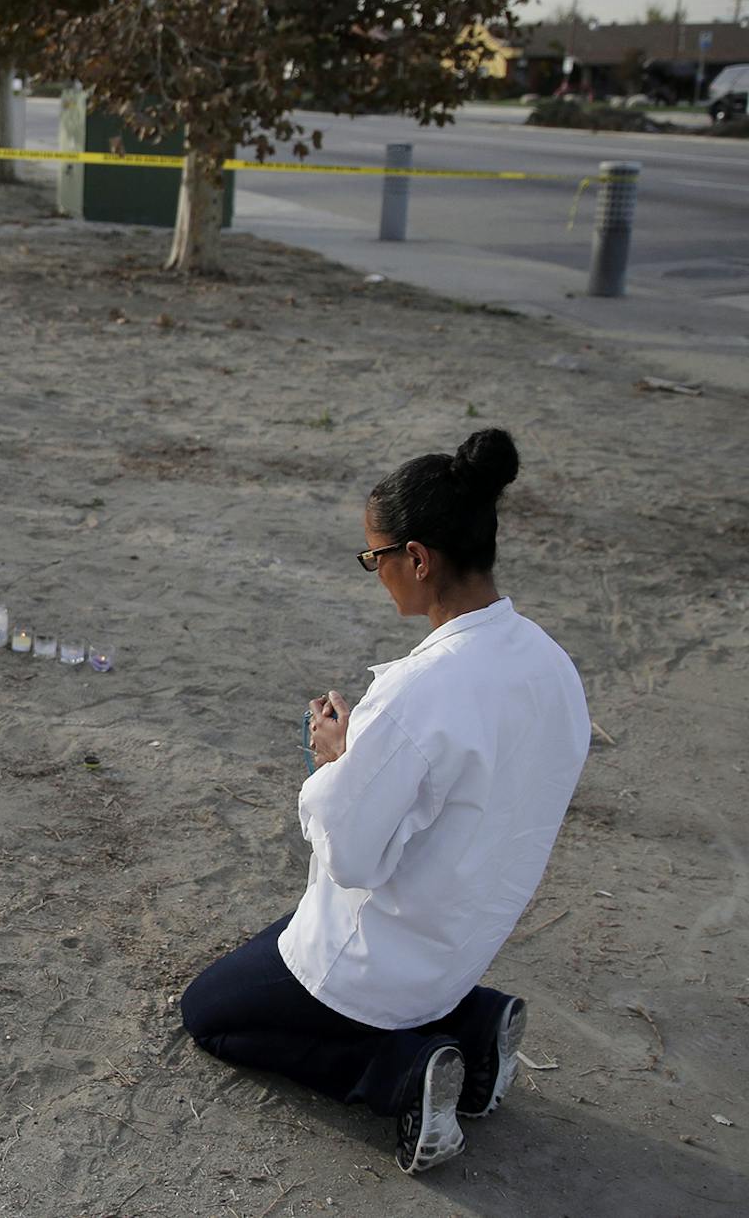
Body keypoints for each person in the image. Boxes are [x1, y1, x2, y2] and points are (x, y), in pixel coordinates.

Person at [180, 429, 590, 1175]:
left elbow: (350, 856)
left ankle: (401, 1073)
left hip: (376, 962)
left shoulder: (415, 693)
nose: (377, 573)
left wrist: (335, 762)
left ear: (419, 558)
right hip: (462, 942)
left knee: (208, 1010)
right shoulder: (550, 664)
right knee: (272, 945)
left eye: (376, 558)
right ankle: (476, 1018)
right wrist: (364, 761)